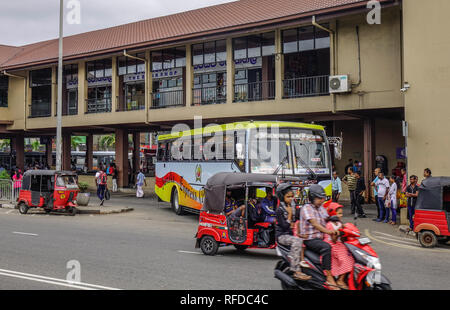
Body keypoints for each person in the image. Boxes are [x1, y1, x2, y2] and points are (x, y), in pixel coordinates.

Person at [300, 184, 340, 290]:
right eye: (319, 198)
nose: (322, 200)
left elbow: (327, 218)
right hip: (310, 239)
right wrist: (329, 231)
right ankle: (329, 277)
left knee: (341, 247)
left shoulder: (321, 209)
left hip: (321, 237)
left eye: (323, 198)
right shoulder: (306, 208)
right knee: (327, 247)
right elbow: (315, 223)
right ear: (312, 198)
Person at [275, 183, 311, 281]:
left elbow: (301, 216)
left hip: (292, 233)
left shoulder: (294, 207)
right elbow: (285, 226)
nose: (291, 199)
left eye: (292, 196)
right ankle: (297, 271)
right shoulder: (280, 210)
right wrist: (290, 216)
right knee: (297, 241)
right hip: (282, 236)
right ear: (282, 197)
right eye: (288, 197)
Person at [323, 203, 355, 289]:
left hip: (339, 243)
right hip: (332, 245)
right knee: (346, 259)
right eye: (339, 213)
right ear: (333, 214)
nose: (341, 215)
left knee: (351, 255)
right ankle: (340, 280)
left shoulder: (339, 223)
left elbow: (345, 228)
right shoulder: (330, 225)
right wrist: (338, 232)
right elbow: (333, 239)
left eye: (341, 213)